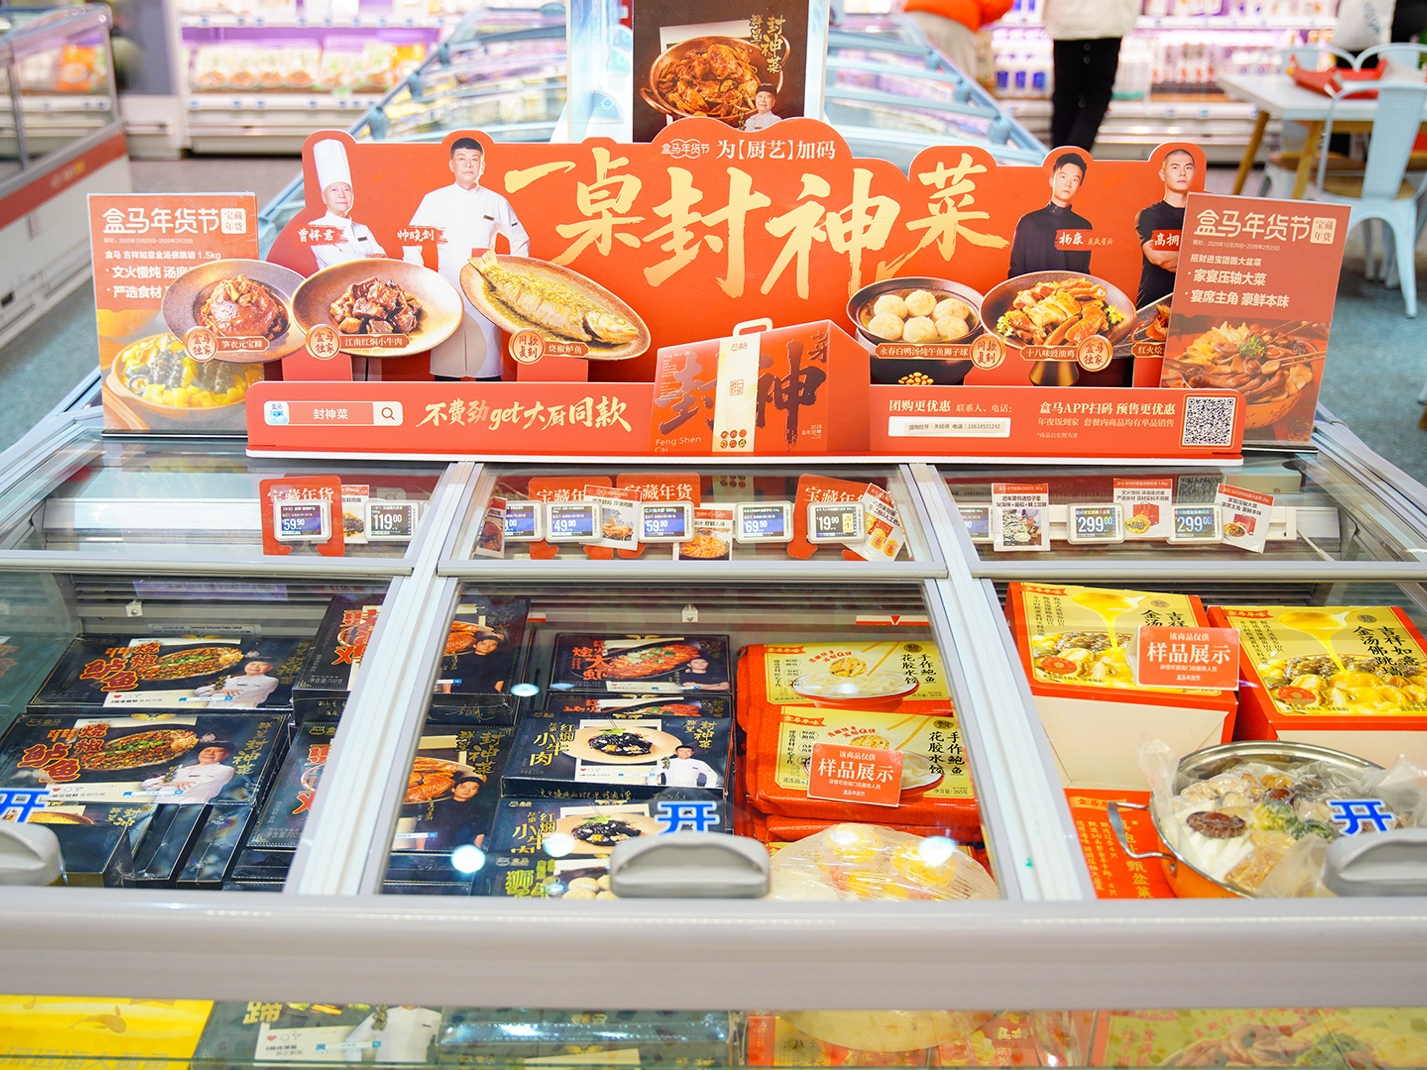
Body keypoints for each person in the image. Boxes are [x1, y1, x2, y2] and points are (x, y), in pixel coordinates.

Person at [405, 137, 530, 381]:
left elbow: (520, 239)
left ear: (483, 166)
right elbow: (411, 238)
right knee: (447, 354)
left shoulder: (496, 201)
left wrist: (512, 280)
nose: (468, 165)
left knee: (487, 360)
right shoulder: (434, 199)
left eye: (475, 160)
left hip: (482, 286)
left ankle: (490, 397)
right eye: (462, 159)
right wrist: (420, 279)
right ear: (451, 164)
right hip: (446, 285)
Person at [1042, 0, 1139, 151]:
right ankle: (1076, 151)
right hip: (1111, 17)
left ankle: (1060, 154)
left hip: (1066, 17)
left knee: (1066, 89)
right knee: (1098, 91)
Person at [1007, 152, 1093, 278]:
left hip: (1070, 291)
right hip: (1032, 290)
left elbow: (1084, 274)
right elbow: (1016, 271)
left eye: (1075, 179)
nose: (1068, 184)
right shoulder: (1029, 222)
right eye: (1063, 177)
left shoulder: (1084, 227)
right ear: (1052, 180)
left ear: (1079, 187)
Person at [308, 139, 387, 269]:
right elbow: (334, 260)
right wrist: (368, 257)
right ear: (324, 197)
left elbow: (383, 259)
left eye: (346, 189)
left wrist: (370, 259)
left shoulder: (362, 228)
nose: (342, 195)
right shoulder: (315, 228)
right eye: (334, 190)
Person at [1134, 148, 1195, 307]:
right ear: (1162, 174)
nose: (1182, 173)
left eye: (1188, 167)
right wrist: (1197, 261)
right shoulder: (1148, 214)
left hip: (1189, 301)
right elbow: (1158, 257)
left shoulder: (1203, 217)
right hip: (1152, 302)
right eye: (1175, 167)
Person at [902, 0, 1012, 79]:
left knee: (911, 77)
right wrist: (979, 17)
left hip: (914, 13)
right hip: (958, 17)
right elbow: (1001, 4)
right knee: (959, 81)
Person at [141, 739, 236, 804]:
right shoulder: (180, 769)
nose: (210, 753)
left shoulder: (224, 770)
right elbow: (146, 785)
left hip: (187, 809)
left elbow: (190, 789)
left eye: (218, 751)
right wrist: (168, 783)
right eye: (207, 750)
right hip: (159, 806)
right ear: (200, 753)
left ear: (225, 755)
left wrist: (163, 784)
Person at [345, 1005, 444, 1064]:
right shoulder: (382, 1016)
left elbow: (448, 1043)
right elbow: (352, 1041)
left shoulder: (435, 1017)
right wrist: (355, 1063)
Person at [194, 659, 279, 709]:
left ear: (269, 668)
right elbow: (199, 691)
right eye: (252, 664)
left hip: (238, 714)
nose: (256, 667)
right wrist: (217, 691)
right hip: (211, 712)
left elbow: (240, 695)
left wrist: (216, 691)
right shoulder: (230, 680)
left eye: (263, 665)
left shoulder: (269, 680)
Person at [649, 745, 721, 789]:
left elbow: (712, 775)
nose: (685, 753)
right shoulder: (667, 762)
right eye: (681, 751)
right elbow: (652, 774)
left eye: (688, 751)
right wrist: (654, 786)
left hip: (692, 791)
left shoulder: (699, 763)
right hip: (671, 791)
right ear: (676, 752)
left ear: (692, 753)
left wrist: (708, 788)